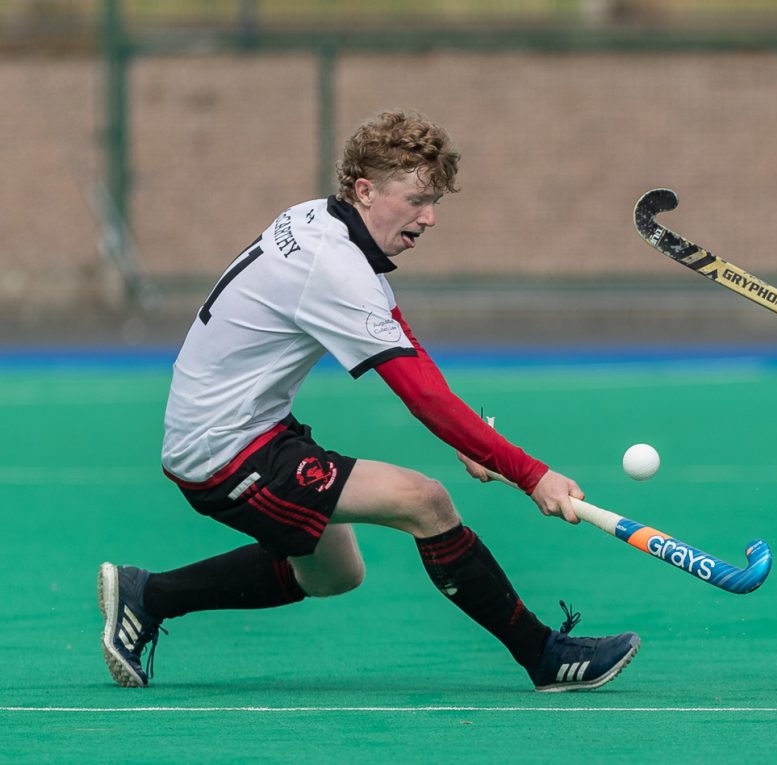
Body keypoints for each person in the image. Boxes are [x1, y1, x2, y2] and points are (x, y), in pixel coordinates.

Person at [98, 111, 639, 692]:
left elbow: (401, 340)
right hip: (224, 453)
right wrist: (531, 474)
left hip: (246, 427)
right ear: (366, 189)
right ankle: (544, 655)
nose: (429, 218)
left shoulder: (322, 222)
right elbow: (419, 394)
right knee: (425, 502)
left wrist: (477, 444)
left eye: (435, 203)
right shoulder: (333, 266)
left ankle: (146, 595)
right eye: (417, 200)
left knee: (336, 572)